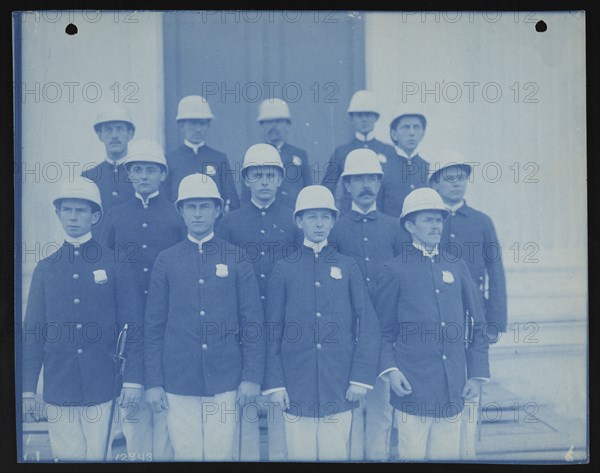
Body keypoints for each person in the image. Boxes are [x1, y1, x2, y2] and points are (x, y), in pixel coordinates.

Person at [144, 173, 265, 461]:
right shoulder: (167, 259)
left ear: (218, 210)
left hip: (225, 377)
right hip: (178, 379)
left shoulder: (236, 257)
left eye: (205, 207)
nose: (198, 214)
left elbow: (252, 323)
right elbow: (153, 326)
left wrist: (251, 377)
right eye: (191, 207)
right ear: (181, 211)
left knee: (219, 453)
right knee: (185, 453)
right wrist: (153, 381)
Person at [22, 177, 144, 461]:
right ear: (59, 214)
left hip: (103, 382)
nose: (74, 217)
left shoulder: (114, 262)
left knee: (100, 456)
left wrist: (132, 381)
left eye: (81, 211)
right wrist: (28, 390)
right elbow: (34, 333)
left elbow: (133, 326)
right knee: (67, 456)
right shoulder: (46, 268)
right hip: (59, 384)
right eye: (68, 210)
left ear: (95, 216)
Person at [264, 185, 381, 461]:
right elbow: (272, 330)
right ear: (299, 221)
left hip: (339, 383)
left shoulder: (347, 265)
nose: (318, 224)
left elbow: (368, 324)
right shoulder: (284, 268)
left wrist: (360, 377)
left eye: (325, 217)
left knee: (335, 454)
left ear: (333, 220)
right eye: (312, 217)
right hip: (296, 385)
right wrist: (276, 383)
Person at [375, 188, 490, 461]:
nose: (436, 225)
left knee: (447, 457)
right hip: (412, 386)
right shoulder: (395, 269)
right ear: (410, 226)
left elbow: (478, 323)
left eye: (439, 219)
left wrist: (475, 374)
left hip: (452, 387)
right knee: (411, 454)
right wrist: (391, 372)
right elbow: (383, 331)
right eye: (428, 219)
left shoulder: (456, 265)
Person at [100, 139, 187, 461]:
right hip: (126, 318)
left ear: (162, 174)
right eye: (138, 170)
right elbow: (103, 264)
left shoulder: (177, 215)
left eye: (152, 170)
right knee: (132, 411)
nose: (145, 176)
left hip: (169, 318)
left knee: (165, 411)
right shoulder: (115, 215)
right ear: (129, 174)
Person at [217, 143, 298, 460]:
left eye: (270, 175)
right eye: (257, 175)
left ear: (279, 180)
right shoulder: (231, 222)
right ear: (247, 180)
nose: (264, 181)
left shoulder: (293, 220)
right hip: (243, 323)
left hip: (283, 321)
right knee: (246, 401)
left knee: (280, 399)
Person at [328, 148, 407, 460]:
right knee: (349, 408)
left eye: (371, 178)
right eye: (358, 179)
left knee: (381, 412)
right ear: (347, 185)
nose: (365, 185)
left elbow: (405, 279)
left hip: (386, 333)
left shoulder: (395, 227)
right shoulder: (334, 228)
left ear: (379, 184)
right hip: (348, 333)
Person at [429, 158, 508, 338]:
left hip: (475, 311)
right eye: (449, 178)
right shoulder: (426, 220)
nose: (456, 183)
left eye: (462, 178)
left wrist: (495, 322)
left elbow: (495, 273)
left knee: (477, 362)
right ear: (435, 184)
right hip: (433, 311)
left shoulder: (481, 222)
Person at [321, 90, 394, 214]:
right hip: (349, 215)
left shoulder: (388, 151)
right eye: (359, 115)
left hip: (381, 213)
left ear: (376, 117)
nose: (364, 119)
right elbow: (327, 189)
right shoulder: (341, 152)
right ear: (352, 118)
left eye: (368, 115)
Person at [164, 95, 240, 213]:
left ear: (208, 125)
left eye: (202, 123)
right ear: (181, 125)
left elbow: (232, 202)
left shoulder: (219, 159)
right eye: (193, 123)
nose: (198, 129)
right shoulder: (170, 159)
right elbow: (164, 201)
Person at [240, 99, 312, 209]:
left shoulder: (299, 154)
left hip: (293, 213)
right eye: (269, 122)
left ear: (287, 124)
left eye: (278, 121)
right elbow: (246, 193)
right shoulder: (254, 154)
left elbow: (308, 190)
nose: (274, 127)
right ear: (262, 125)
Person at [82, 105, 136, 235]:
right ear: (100, 135)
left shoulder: (141, 175)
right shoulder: (89, 176)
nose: (114, 136)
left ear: (130, 134)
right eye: (108, 130)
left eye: (120, 129)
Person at [379, 112, 430, 218]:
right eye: (406, 127)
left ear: (422, 133)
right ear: (394, 134)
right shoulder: (382, 168)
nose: (412, 132)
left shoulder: (429, 168)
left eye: (416, 127)